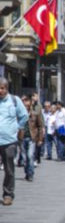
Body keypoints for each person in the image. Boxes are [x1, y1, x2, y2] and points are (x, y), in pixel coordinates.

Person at [0, 77, 29, 206]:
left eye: (2, 88)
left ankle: (8, 194)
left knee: (9, 169)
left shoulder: (14, 101)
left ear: (7, 88)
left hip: (9, 141)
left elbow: (24, 116)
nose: (0, 90)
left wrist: (18, 128)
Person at [21, 96, 44, 182]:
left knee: (30, 156)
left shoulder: (35, 114)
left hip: (32, 138)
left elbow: (40, 126)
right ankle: (27, 172)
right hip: (22, 138)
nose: (25, 106)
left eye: (27, 104)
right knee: (24, 158)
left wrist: (40, 139)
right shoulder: (20, 115)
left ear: (30, 105)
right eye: (24, 105)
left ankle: (30, 174)